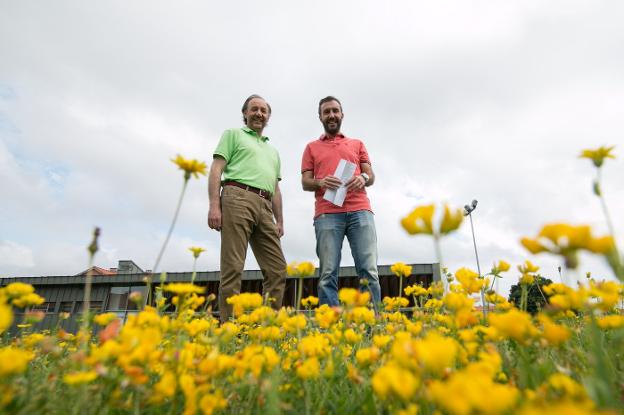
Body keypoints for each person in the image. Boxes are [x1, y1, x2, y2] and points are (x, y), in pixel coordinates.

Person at [208, 94, 287, 322]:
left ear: (268, 117)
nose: (259, 114)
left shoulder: (273, 152)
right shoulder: (233, 135)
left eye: (264, 110)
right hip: (237, 197)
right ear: (245, 113)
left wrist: (279, 220)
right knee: (233, 266)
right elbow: (216, 169)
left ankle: (267, 327)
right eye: (254, 109)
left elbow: (276, 188)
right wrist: (214, 205)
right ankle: (229, 328)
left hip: (265, 205)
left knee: (277, 269)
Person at [301, 96, 381, 307]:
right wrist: (321, 182)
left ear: (342, 114)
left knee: (369, 270)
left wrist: (362, 178)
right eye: (326, 112)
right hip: (327, 214)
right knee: (327, 273)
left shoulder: (357, 144)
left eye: (335, 111)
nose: (332, 115)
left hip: (360, 210)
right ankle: (330, 329)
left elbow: (370, 176)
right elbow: (305, 182)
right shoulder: (311, 148)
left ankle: (371, 326)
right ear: (320, 117)